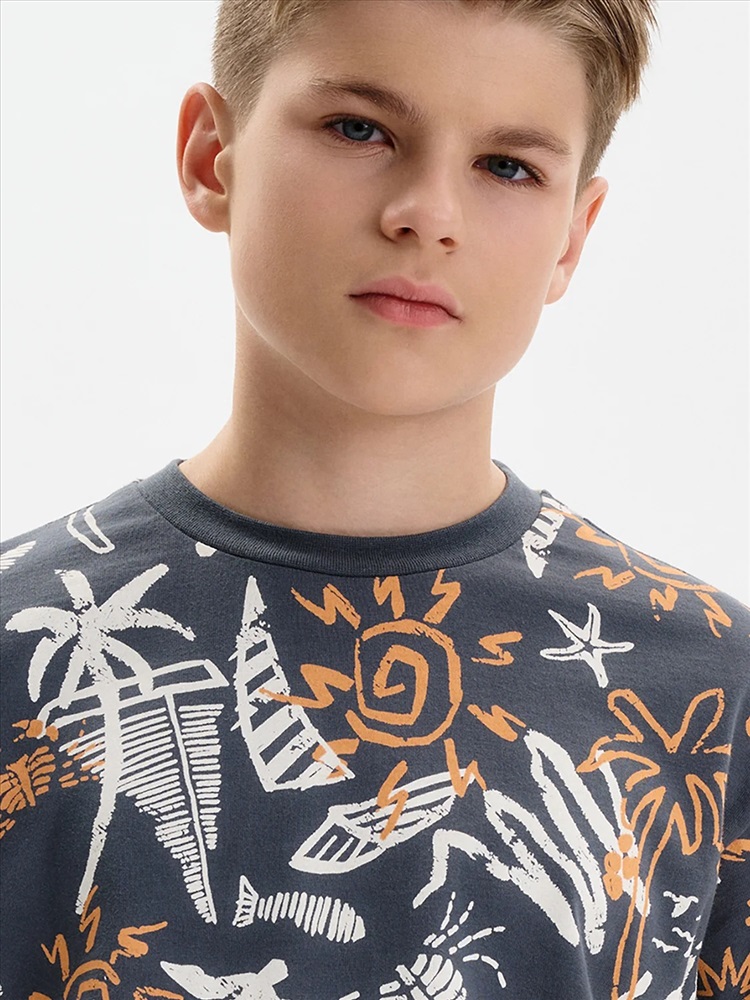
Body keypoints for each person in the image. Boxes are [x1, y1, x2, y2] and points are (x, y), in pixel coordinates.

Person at [1, 1, 747, 998]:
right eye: (359, 129)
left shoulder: (709, 691)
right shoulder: (15, 648)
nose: (427, 212)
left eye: (507, 166)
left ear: (574, 237)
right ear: (212, 157)